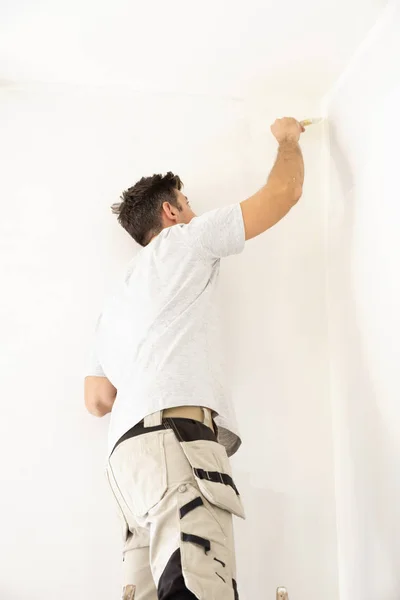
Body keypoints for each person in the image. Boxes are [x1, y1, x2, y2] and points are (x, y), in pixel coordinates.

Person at [84, 117, 305, 600]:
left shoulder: (114, 303)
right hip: (174, 444)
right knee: (198, 591)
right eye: (188, 204)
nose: (194, 211)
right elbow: (284, 193)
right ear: (170, 211)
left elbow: (98, 400)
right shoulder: (185, 241)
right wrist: (287, 139)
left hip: (126, 465)